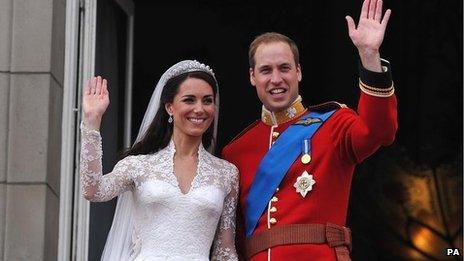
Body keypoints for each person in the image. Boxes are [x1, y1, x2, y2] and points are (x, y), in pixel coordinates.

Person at [222, 0, 397, 260]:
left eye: (284, 68)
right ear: (252, 77)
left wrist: (369, 56)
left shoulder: (334, 124)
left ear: (299, 72)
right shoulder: (235, 151)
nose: (276, 79)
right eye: (265, 70)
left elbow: (380, 131)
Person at [80, 60, 239, 260]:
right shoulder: (138, 165)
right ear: (169, 107)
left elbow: (225, 250)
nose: (200, 109)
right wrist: (92, 122)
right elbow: (93, 191)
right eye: (189, 100)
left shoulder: (226, 173)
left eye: (207, 101)